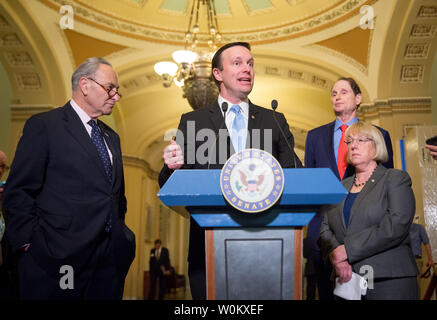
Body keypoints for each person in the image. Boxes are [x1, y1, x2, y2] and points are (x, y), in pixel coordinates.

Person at [158, 42, 302, 299]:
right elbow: (169, 183)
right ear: (217, 73)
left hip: (265, 244)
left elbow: (295, 174)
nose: (247, 69)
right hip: (207, 247)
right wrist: (172, 167)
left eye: (250, 63)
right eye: (237, 63)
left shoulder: (273, 120)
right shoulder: (194, 121)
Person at [2, 57, 136, 300]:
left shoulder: (111, 137)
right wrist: (29, 245)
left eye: (118, 91)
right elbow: (19, 191)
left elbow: (115, 197)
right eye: (110, 88)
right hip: (56, 259)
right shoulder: (45, 126)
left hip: (107, 261)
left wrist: (121, 237)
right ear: (85, 85)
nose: (116, 96)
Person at [303, 77, 394, 299]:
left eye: (343, 92)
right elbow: (311, 185)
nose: (337, 96)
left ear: (358, 98)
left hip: (367, 234)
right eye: (334, 93)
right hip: (325, 237)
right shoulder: (315, 137)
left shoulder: (379, 135)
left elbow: (386, 185)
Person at [319, 121, 418, 300]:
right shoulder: (339, 187)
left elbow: (397, 223)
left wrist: (348, 250)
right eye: (349, 141)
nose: (353, 145)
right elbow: (325, 228)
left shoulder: (395, 178)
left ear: (377, 146)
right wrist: (336, 256)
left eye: (362, 140)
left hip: (388, 280)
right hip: (346, 280)